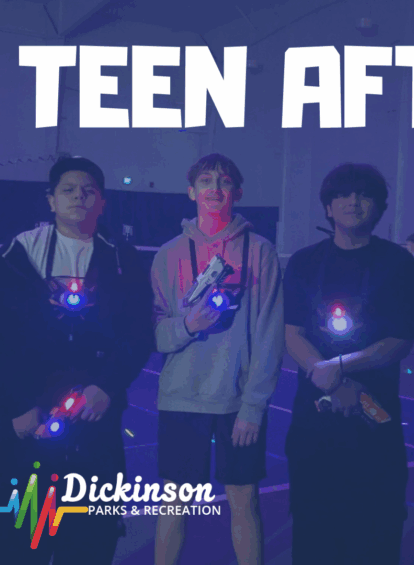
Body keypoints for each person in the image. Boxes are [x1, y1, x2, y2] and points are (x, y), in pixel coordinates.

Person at [0, 156, 153, 564]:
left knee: (90, 545)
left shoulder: (122, 259)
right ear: (51, 200)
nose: (79, 197)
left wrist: (106, 387)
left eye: (89, 191)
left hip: (95, 432)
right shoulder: (18, 253)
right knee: (19, 544)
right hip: (27, 432)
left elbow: (137, 334)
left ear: (102, 202)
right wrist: (17, 407)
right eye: (69, 190)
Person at [283, 163, 414, 564]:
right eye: (343, 194)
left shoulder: (398, 263)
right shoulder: (304, 262)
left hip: (375, 419)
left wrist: (342, 366)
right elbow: (292, 333)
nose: (353, 201)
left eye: (364, 194)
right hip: (314, 423)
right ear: (328, 207)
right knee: (313, 530)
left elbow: (400, 340)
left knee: (376, 530)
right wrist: (332, 379)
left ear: (379, 207)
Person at [150, 154, 284, 565]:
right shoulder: (168, 254)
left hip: (236, 403)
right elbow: (155, 333)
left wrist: (253, 406)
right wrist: (188, 325)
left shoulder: (260, 251)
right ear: (191, 191)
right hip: (181, 398)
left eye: (224, 181)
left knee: (244, 500)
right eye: (206, 180)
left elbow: (270, 333)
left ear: (236, 193)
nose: (215, 188)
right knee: (174, 502)